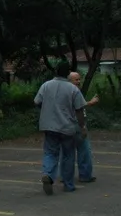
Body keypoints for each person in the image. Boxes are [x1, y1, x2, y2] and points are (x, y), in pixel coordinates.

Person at [33, 60, 87, 195]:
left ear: (55, 71)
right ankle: (68, 185)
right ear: (68, 74)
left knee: (50, 152)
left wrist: (46, 109)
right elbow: (79, 110)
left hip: (49, 126)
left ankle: (48, 175)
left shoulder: (46, 85)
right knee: (68, 155)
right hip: (67, 127)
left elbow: (37, 102)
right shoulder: (73, 89)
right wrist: (82, 126)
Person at [56, 71, 99, 184]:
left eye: (79, 79)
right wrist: (91, 103)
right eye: (76, 80)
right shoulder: (74, 91)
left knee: (66, 152)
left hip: (65, 125)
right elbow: (79, 108)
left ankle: (65, 176)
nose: (79, 82)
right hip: (76, 124)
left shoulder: (63, 92)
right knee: (84, 150)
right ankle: (85, 175)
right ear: (69, 81)